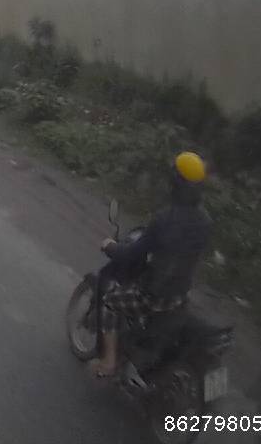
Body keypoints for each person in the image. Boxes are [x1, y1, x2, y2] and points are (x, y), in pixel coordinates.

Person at [89, 152, 212, 378]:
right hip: (180, 296)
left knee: (109, 303)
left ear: (176, 182)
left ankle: (109, 361)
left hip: (154, 296)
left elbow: (132, 254)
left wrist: (110, 246)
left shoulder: (164, 219)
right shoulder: (205, 221)